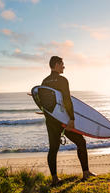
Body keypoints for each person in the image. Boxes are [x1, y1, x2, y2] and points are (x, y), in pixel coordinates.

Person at [41, 56, 96, 185]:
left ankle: (55, 179)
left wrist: (49, 116)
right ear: (56, 65)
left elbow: (44, 103)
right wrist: (71, 118)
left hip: (51, 120)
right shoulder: (62, 80)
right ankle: (86, 173)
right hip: (64, 119)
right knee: (81, 142)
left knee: (53, 148)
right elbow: (67, 100)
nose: (64, 66)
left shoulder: (44, 81)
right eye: (62, 64)